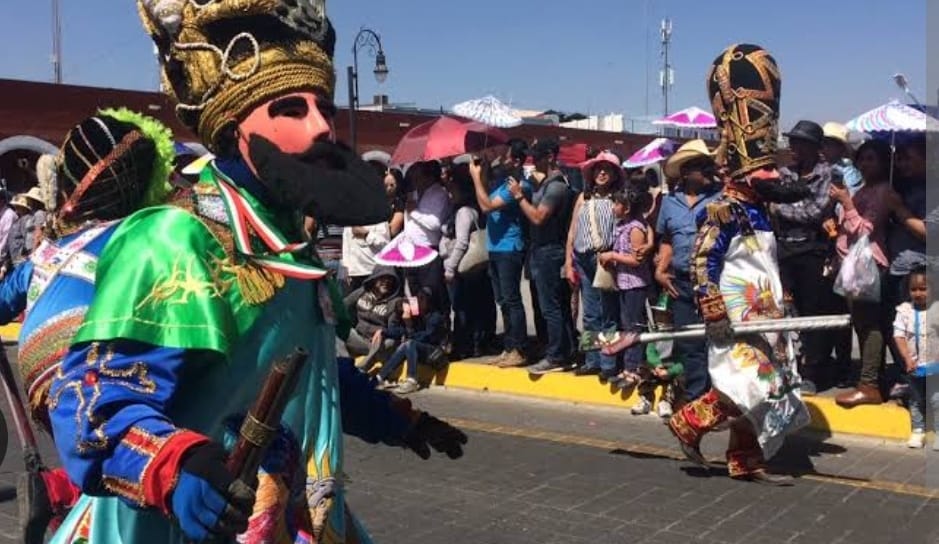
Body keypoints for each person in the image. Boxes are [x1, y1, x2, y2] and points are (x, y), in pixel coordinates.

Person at [49, 3, 466, 542]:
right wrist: (179, 468)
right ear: (235, 127)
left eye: (325, 108)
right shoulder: (178, 238)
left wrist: (397, 420)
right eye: (291, 109)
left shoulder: (288, 238)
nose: (321, 127)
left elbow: (304, 375)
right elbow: (92, 402)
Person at [0, 109, 176, 543]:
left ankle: (63, 486)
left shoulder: (50, 250)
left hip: (45, 386)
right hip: (99, 377)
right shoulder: (146, 238)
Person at [668, 44, 812, 485]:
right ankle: (690, 420)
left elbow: (764, 261)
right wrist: (710, 303)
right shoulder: (724, 210)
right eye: (763, 175)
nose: (773, 181)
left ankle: (744, 459)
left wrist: (783, 298)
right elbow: (702, 258)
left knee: (766, 387)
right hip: (733, 315)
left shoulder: (759, 211)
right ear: (740, 174)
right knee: (753, 385)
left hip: (764, 315)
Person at [831, 139, 925, 407]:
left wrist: (847, 204)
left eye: (872, 159)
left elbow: (865, 230)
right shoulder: (865, 188)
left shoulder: (883, 191)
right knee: (866, 324)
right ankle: (878, 379)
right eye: (862, 159)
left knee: (869, 324)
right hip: (854, 266)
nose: (864, 164)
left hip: (869, 266)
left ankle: (869, 385)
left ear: (884, 163)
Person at [771, 120, 837, 395]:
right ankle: (790, 366)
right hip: (784, 250)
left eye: (799, 142)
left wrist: (779, 207)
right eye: (792, 141)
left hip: (812, 251)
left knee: (813, 313)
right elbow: (775, 201)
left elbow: (815, 212)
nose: (793, 147)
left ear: (814, 148)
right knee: (785, 310)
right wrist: (780, 205)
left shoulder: (828, 176)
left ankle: (813, 371)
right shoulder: (785, 173)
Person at [656, 139, 720, 401]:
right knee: (689, 340)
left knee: (716, 340)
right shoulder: (670, 202)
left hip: (713, 280)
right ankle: (697, 397)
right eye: (700, 166)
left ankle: (717, 394)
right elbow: (667, 239)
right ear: (685, 173)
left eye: (708, 165)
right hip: (681, 281)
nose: (707, 170)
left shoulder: (720, 196)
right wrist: (661, 269)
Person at [510, 139, 577, 374]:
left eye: (537, 157)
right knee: (553, 305)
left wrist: (519, 197)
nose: (533, 162)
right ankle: (567, 351)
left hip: (550, 250)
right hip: (541, 250)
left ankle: (557, 354)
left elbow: (539, 217)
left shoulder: (556, 186)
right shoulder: (546, 184)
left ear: (549, 157)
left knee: (552, 307)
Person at [469, 140, 530, 368]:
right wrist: (482, 171)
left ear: (515, 160)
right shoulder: (502, 182)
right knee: (502, 300)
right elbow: (485, 192)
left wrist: (475, 178)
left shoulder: (518, 185)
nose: (501, 159)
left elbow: (486, 206)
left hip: (509, 248)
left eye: (505, 156)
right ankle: (509, 346)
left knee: (512, 299)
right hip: (495, 247)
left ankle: (521, 348)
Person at [567, 152, 624, 379]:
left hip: (606, 260)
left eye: (607, 169)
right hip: (582, 258)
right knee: (590, 313)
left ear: (613, 175)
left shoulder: (617, 199)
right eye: (598, 169)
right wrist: (568, 260)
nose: (602, 173)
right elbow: (572, 230)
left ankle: (608, 362)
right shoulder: (583, 198)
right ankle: (592, 359)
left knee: (608, 312)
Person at [440, 162, 496, 359]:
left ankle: (464, 345)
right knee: (474, 306)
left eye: (452, 189)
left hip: (463, 269)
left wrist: (450, 268)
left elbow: (462, 242)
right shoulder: (467, 209)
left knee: (463, 308)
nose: (449, 193)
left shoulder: (464, 212)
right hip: (469, 269)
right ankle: (475, 343)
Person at [599, 189, 651, 392]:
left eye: (617, 204)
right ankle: (629, 365)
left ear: (627, 208)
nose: (613, 207)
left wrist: (613, 255)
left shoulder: (635, 229)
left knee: (634, 327)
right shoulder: (622, 226)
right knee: (627, 324)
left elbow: (636, 260)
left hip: (635, 283)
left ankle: (634, 368)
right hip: (624, 282)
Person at [894, 267, 939, 449]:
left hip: (935, 364)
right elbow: (899, 336)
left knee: (936, 399)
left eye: (923, 289)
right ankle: (918, 430)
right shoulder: (904, 310)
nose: (918, 293)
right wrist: (906, 358)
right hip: (913, 365)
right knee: (916, 398)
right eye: (914, 289)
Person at [375, 287, 448, 394]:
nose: (419, 302)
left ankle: (412, 380)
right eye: (418, 299)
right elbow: (402, 331)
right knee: (406, 345)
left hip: (437, 355)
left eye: (422, 299)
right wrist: (383, 331)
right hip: (422, 352)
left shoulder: (435, 318)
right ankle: (380, 377)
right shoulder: (418, 316)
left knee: (409, 343)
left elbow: (426, 338)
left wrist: (409, 325)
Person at [344, 266, 404, 369]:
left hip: (378, 344)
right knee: (339, 331)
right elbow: (344, 304)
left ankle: (363, 367)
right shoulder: (363, 291)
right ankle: (344, 364)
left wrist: (382, 331)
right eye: (383, 278)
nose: (386, 282)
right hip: (359, 339)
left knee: (390, 342)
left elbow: (394, 330)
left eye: (390, 279)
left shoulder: (394, 302)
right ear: (375, 278)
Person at [630, 342, 684, 419]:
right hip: (658, 366)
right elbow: (650, 352)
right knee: (644, 368)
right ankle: (646, 399)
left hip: (673, 367)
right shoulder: (656, 335)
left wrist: (670, 371)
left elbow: (684, 362)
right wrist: (657, 365)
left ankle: (667, 402)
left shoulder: (683, 338)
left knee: (681, 377)